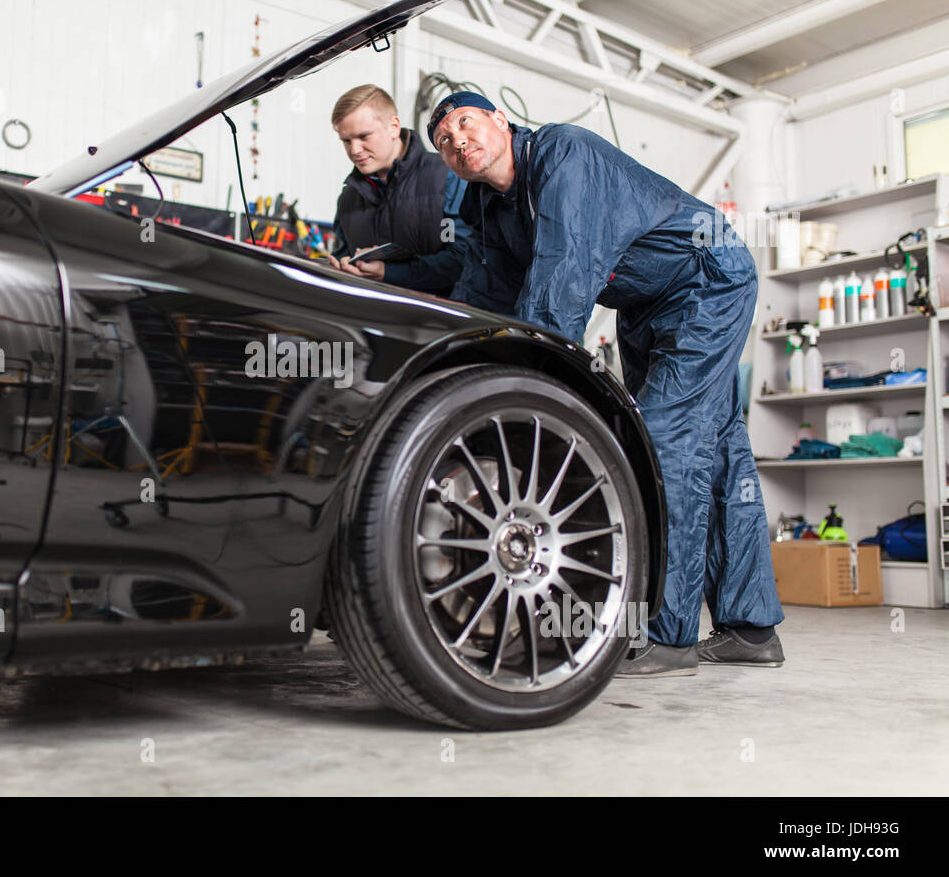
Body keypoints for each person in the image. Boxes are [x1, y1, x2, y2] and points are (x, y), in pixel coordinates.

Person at [426, 90, 785, 678]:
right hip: (645, 307)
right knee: (716, 450)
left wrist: (526, 395)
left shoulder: (563, 154)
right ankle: (751, 628)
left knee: (664, 440)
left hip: (706, 282)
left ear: (500, 119)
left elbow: (562, 277)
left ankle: (668, 636)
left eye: (464, 122)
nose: (457, 141)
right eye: (443, 141)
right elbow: (483, 298)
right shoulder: (493, 212)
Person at [327, 85, 469, 295]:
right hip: (372, 321)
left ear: (393, 126)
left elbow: (461, 259)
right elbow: (341, 255)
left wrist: (389, 273)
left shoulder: (447, 176)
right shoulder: (348, 198)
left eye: (364, 136)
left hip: (438, 322)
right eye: (346, 141)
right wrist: (342, 267)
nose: (354, 150)